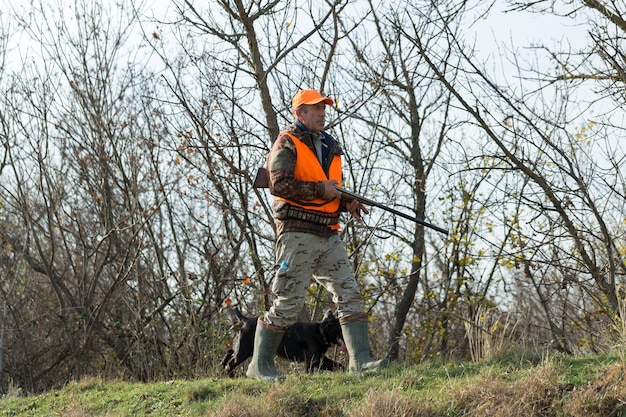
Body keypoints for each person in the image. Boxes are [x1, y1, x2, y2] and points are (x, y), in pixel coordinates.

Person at [247, 89, 389, 381]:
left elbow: (329, 190)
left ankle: (360, 362)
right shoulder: (287, 142)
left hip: (328, 233)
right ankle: (259, 367)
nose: (323, 112)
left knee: (350, 294)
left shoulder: (330, 146)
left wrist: (345, 202)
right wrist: (320, 190)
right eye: (316, 108)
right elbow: (280, 185)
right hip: (297, 233)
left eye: (324, 107)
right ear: (300, 114)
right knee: (288, 301)